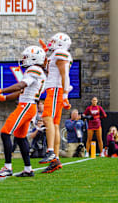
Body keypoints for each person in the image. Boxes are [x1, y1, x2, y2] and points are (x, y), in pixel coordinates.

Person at [0, 46, 47, 177]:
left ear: (34, 58)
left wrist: (1, 90)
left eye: (26, 57)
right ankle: (28, 169)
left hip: (26, 106)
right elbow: (21, 91)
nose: (23, 59)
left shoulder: (34, 69)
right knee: (20, 138)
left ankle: (7, 167)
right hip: (28, 105)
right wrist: (4, 97)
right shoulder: (37, 71)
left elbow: (21, 86)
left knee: (5, 132)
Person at [38, 33, 73, 173]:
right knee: (55, 124)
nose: (51, 43)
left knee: (47, 118)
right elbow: (51, 70)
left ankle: (51, 151)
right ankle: (55, 159)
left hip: (55, 91)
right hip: (56, 90)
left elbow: (65, 74)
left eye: (54, 41)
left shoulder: (60, 53)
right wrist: (46, 55)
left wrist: (65, 94)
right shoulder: (57, 54)